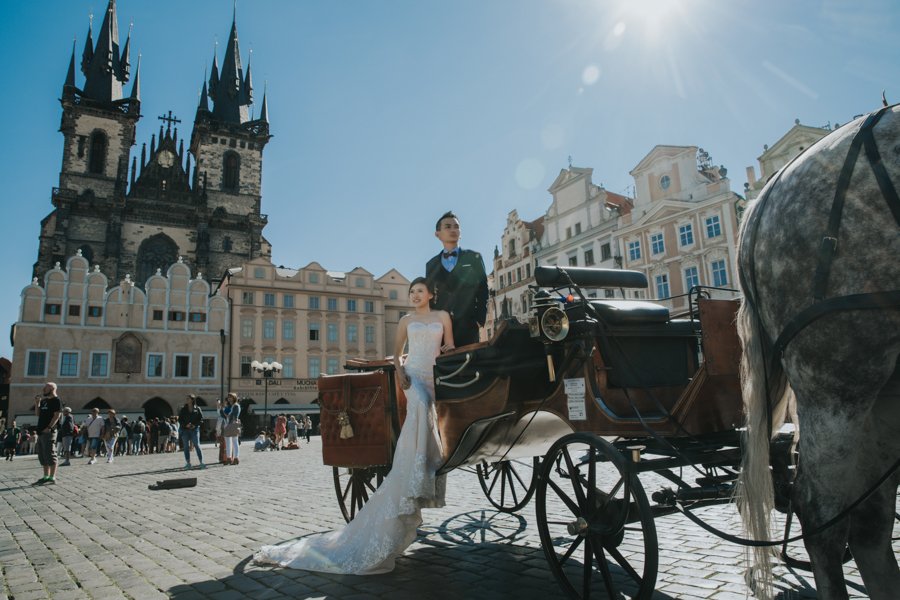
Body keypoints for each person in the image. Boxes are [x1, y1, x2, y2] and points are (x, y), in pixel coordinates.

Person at [255, 277, 452, 573]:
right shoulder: (405, 321)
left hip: (435, 376)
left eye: (419, 292)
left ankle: (428, 461)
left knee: (435, 408)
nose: (414, 296)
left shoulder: (442, 317)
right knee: (421, 406)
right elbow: (398, 355)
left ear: (431, 295)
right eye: (411, 292)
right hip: (413, 378)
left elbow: (449, 345)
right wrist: (400, 374)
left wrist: (449, 348)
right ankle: (418, 467)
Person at [425, 211, 489, 347]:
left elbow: (483, 290)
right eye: (448, 227)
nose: (453, 230)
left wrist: (479, 319)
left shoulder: (474, 258)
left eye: (456, 226)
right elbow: (430, 297)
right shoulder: (431, 265)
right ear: (438, 234)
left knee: (469, 364)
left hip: (469, 325)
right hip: (442, 327)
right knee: (446, 365)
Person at [32, 382, 63, 485]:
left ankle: (52, 477)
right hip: (41, 431)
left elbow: (57, 416)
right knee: (42, 455)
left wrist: (49, 427)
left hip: (49, 431)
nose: (43, 389)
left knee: (50, 454)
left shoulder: (57, 400)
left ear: (52, 388)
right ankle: (46, 476)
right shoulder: (44, 401)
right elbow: (37, 414)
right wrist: (37, 403)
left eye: (45, 387)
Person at [178, 395, 206, 469]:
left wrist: (195, 425)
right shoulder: (183, 409)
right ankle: (188, 463)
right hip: (185, 430)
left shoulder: (197, 408)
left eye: (188, 398)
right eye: (186, 398)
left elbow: (201, 419)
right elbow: (180, 419)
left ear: (192, 400)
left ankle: (201, 462)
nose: (186, 400)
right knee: (186, 447)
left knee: (197, 445)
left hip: (194, 429)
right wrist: (185, 425)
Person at [219, 393, 241, 465]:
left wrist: (228, 417)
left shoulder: (236, 406)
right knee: (228, 442)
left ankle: (236, 458)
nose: (229, 398)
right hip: (227, 425)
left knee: (235, 442)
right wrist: (221, 409)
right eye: (228, 397)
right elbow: (223, 416)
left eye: (231, 397)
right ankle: (229, 458)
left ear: (234, 398)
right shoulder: (228, 406)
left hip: (233, 424)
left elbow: (235, 416)